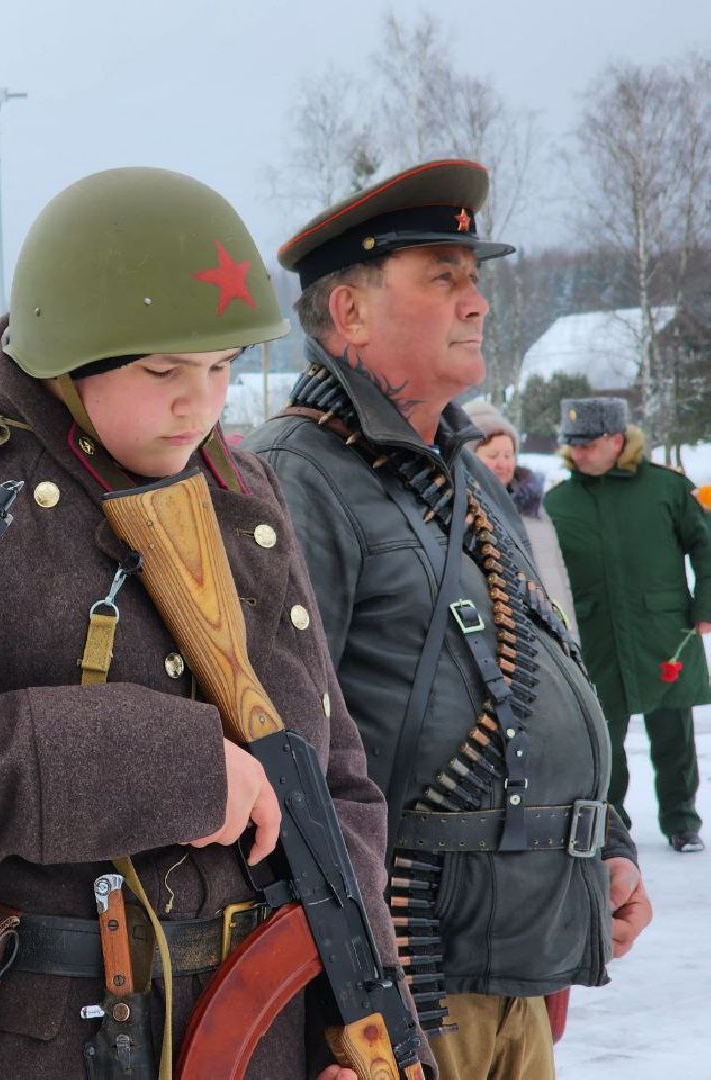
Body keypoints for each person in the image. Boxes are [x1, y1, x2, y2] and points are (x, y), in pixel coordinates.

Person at [0, 167, 429, 1079]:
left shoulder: (242, 494)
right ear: (68, 358)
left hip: (268, 1034)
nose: (199, 403)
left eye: (220, 367)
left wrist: (371, 1029)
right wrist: (169, 764)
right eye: (162, 370)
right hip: (48, 1041)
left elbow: (334, 785)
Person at [241, 160, 650, 1080]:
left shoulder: (456, 467)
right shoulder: (297, 476)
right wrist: (334, 1013)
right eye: (443, 277)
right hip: (404, 986)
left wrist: (606, 845)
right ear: (349, 312)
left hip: (509, 963)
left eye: (473, 277)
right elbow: (284, 752)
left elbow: (540, 663)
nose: (477, 302)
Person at [544, 397, 708, 854]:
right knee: (604, 737)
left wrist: (706, 606)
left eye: (588, 444)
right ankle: (611, 828)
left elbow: (706, 544)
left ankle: (682, 820)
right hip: (595, 637)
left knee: (674, 733)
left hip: (663, 632)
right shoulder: (558, 502)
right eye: (573, 444)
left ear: (617, 441)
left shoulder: (666, 488)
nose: (578, 453)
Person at [462, 398, 577, 635]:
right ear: (469, 457)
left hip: (549, 633)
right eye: (493, 455)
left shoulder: (533, 508)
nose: (503, 464)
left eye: (508, 455)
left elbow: (557, 578)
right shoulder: (463, 513)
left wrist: (567, 634)